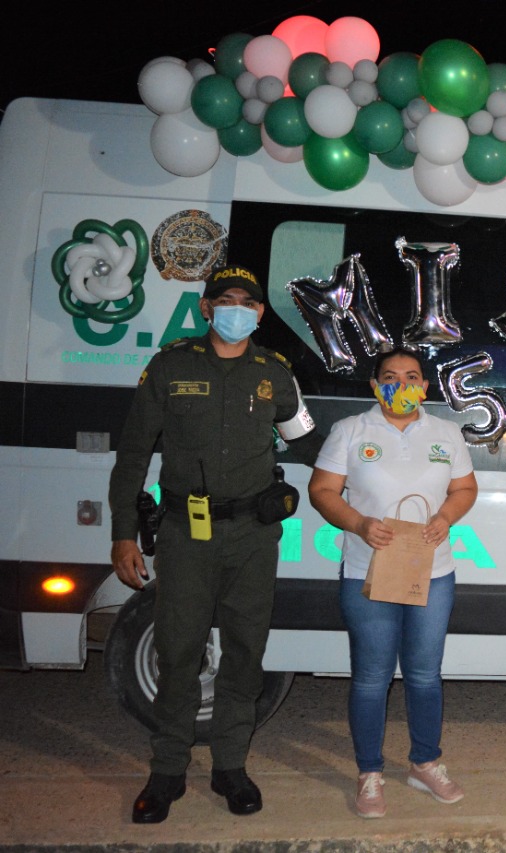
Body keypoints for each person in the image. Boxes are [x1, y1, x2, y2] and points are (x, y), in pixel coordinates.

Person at [108, 264, 323, 823]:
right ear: (206, 309)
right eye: (224, 299)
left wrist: (374, 464)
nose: (236, 309)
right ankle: (168, 771)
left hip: (253, 536)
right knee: (177, 652)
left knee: (246, 653)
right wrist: (122, 534)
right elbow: (133, 454)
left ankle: (230, 765)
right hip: (185, 535)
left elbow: (307, 444)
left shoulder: (275, 373)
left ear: (258, 313)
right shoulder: (170, 366)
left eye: (246, 302)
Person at [308, 346, 479, 819]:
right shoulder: (350, 431)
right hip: (368, 573)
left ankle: (425, 763)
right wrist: (359, 524)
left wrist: (446, 517)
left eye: (411, 376)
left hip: (433, 572)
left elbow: (465, 488)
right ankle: (369, 774)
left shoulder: (445, 433)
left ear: (425, 386)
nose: (401, 384)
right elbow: (321, 490)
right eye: (390, 376)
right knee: (371, 678)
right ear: (374, 385)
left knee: (425, 675)